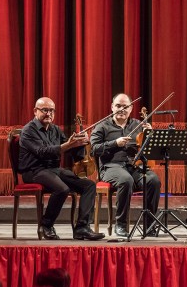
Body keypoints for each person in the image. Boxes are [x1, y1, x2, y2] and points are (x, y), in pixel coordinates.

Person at [18, 97, 105, 241]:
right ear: (35, 111)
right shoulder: (28, 130)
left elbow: (73, 153)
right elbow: (42, 152)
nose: (49, 114)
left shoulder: (55, 130)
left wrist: (81, 144)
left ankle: (82, 228)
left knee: (89, 185)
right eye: (45, 110)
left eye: (52, 110)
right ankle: (46, 225)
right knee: (62, 189)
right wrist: (69, 145)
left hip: (53, 170)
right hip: (33, 171)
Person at [90, 93, 161, 237]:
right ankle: (121, 224)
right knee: (125, 180)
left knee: (153, 180)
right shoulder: (102, 126)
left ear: (131, 109)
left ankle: (149, 225)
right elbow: (94, 149)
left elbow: (149, 149)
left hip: (133, 166)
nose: (121, 109)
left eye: (125, 106)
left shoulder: (138, 125)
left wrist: (150, 135)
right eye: (118, 106)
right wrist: (114, 143)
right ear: (112, 107)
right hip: (110, 167)